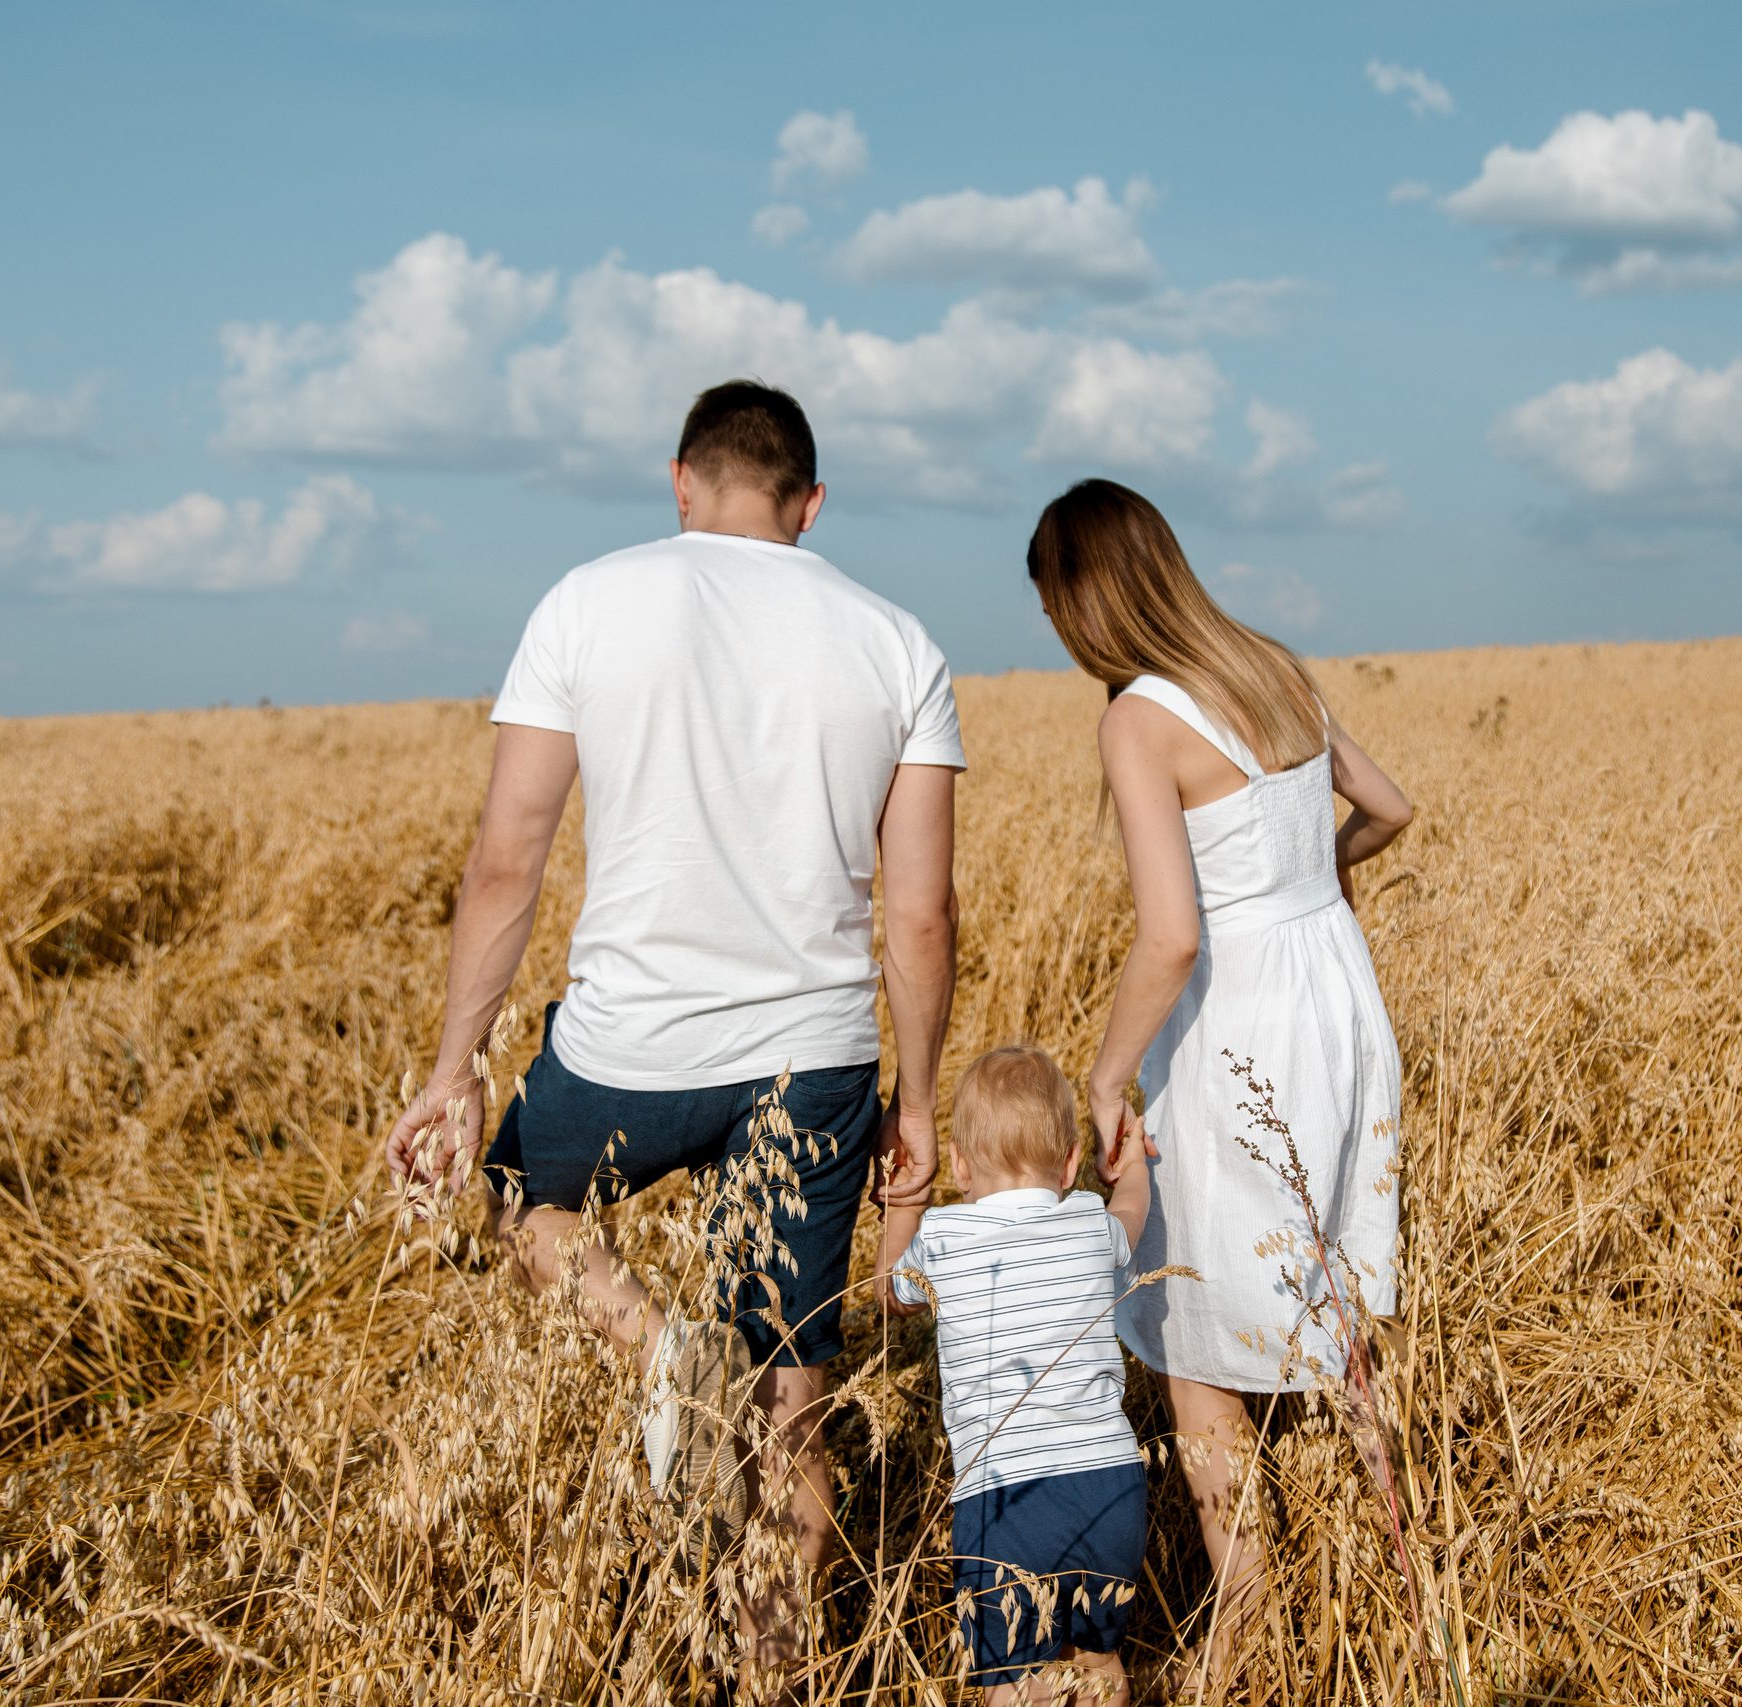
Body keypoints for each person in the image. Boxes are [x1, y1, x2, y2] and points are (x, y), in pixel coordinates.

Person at [383, 380, 964, 1683]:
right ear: (810, 503)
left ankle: (654, 1347)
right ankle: (773, 1672)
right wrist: (913, 1103)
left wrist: (453, 1068)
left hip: (622, 1049)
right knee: (789, 1421)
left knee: (509, 1188)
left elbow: (505, 857)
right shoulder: (895, 638)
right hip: (814, 1063)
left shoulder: (589, 597)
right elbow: (920, 914)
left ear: (681, 480)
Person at [1023, 478, 1414, 1685]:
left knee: (1192, 1337)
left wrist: (1099, 1078)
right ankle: (1411, 1578)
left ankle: (1242, 1636)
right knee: (1333, 1297)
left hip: (1236, 1026)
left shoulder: (1138, 716)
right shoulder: (1268, 663)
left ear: (1083, 602)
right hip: (1339, 1003)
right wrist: (1309, 889)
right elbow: (1391, 810)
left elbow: (1174, 935)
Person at [877, 1045, 1152, 1707]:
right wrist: (1134, 1164)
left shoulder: (941, 1235)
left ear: (962, 1164)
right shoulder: (1090, 1216)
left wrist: (903, 1200)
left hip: (1004, 1502)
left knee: (1013, 1681)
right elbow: (1133, 1216)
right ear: (1067, 1162)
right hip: (1108, 1488)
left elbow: (889, 1291)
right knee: (1099, 1657)